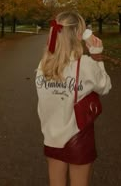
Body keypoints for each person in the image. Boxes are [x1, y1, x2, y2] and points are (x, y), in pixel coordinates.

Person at [35, 11, 112, 186]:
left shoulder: (43, 65)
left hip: (51, 136)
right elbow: (105, 86)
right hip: (79, 136)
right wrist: (97, 57)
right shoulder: (85, 64)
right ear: (79, 34)